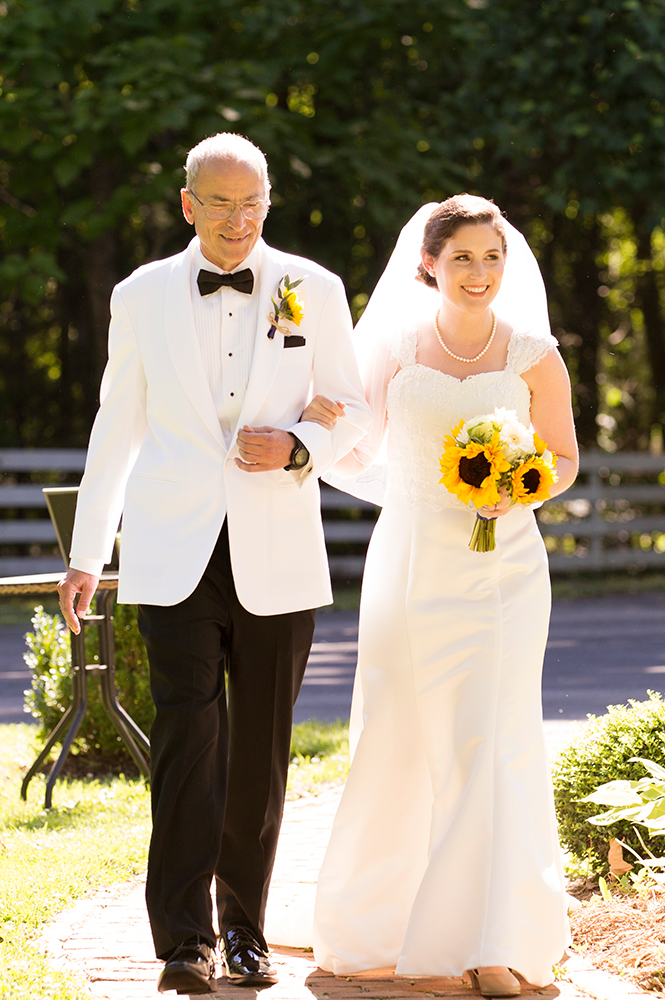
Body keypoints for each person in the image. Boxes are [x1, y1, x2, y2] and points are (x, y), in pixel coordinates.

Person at [56, 132, 370, 995]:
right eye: (222, 204)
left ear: (269, 204)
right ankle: (183, 943)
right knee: (189, 735)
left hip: (278, 550)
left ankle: (247, 933)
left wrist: (300, 444)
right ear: (188, 204)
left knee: (262, 748)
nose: (239, 221)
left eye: (254, 204)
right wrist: (87, 553)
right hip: (174, 551)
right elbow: (116, 424)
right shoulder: (141, 294)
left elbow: (356, 415)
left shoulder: (317, 288)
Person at [308, 195, 580, 996]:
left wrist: (521, 488)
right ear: (429, 263)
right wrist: (311, 415)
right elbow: (356, 442)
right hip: (412, 561)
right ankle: (383, 922)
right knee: (399, 731)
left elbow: (562, 457)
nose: (479, 273)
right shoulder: (394, 347)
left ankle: (491, 940)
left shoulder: (534, 354)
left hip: (504, 576)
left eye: (491, 258)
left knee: (489, 739)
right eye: (462, 258)